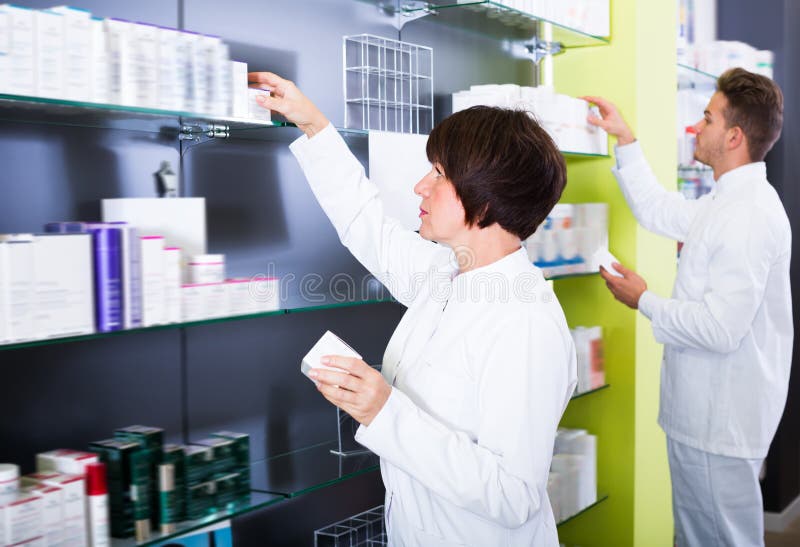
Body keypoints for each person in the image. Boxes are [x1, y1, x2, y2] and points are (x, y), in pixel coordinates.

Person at [249, 71, 577, 546]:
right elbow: (368, 227)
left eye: (439, 174)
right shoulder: (449, 273)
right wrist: (314, 126)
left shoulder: (525, 325)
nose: (420, 187)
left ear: (486, 199)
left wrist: (384, 411)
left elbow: (513, 495)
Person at [585, 67, 792, 547]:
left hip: (718, 422)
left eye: (708, 118)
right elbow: (658, 209)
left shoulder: (748, 215)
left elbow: (722, 329)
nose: (696, 127)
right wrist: (626, 138)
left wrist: (645, 301)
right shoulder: (725, 204)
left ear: (735, 136)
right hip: (703, 420)